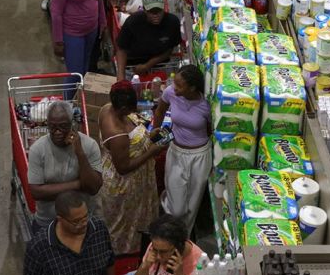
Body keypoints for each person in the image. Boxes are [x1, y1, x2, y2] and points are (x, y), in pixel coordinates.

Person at [22, 190, 116, 275]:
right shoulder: (40, 246)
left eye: (85, 217)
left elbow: (109, 261)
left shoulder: (99, 230)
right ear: (60, 219)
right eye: (76, 222)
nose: (83, 224)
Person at [98, 82, 167, 254]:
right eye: (130, 109)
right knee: (126, 226)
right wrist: (152, 151)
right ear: (121, 108)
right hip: (125, 187)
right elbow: (123, 167)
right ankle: (126, 256)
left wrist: (148, 137)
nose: (132, 112)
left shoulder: (107, 108)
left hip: (135, 181)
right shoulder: (117, 133)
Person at [153, 66, 211, 236]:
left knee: (191, 208)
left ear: (192, 88)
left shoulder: (205, 105)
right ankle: (168, 206)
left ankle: (181, 239)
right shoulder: (171, 93)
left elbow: (211, 130)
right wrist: (155, 131)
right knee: (177, 210)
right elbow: (160, 110)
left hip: (200, 157)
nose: (174, 87)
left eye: (179, 85)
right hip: (176, 152)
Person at [27, 103, 104, 228]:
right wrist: (78, 184)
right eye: (52, 127)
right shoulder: (38, 149)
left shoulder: (89, 145)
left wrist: (80, 153)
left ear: (71, 123)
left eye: (63, 126)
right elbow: (36, 192)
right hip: (48, 222)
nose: (57, 132)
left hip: (82, 221)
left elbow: (93, 188)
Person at [115, 0, 182, 80]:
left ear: (164, 8)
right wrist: (120, 76)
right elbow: (121, 49)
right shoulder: (133, 22)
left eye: (158, 11)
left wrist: (147, 65)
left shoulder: (172, 22)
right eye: (151, 12)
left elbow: (169, 49)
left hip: (161, 65)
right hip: (133, 66)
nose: (155, 15)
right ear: (145, 10)